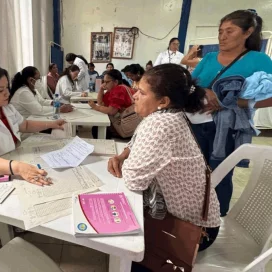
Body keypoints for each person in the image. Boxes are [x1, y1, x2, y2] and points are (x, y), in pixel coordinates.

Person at [108, 65, 221, 272]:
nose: (134, 95)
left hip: (193, 230)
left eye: (142, 92)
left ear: (163, 101)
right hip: (196, 217)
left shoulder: (161, 124)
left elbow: (134, 180)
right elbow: (136, 141)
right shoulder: (169, 114)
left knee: (131, 250)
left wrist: (127, 162)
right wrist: (124, 154)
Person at [189, 9, 272, 216]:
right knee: (193, 172)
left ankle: (215, 221)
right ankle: (191, 216)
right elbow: (189, 85)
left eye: (230, 31)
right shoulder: (209, 58)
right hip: (196, 125)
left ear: (247, 32)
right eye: (220, 31)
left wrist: (238, 103)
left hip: (228, 129)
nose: (222, 36)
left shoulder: (258, 60)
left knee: (220, 175)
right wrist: (206, 90)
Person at [0, 64, 66, 184]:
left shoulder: (6, 109)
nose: (7, 93)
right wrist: (19, 168)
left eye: (7, 88)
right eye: (0, 90)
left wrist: (52, 124)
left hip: (8, 162)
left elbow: (25, 125)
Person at [88, 69, 135, 139]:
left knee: (97, 129)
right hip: (125, 121)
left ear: (116, 82)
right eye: (103, 82)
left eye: (107, 82)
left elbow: (111, 111)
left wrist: (95, 107)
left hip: (126, 126)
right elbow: (101, 103)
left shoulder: (119, 90)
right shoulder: (114, 89)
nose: (104, 84)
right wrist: (101, 89)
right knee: (98, 126)